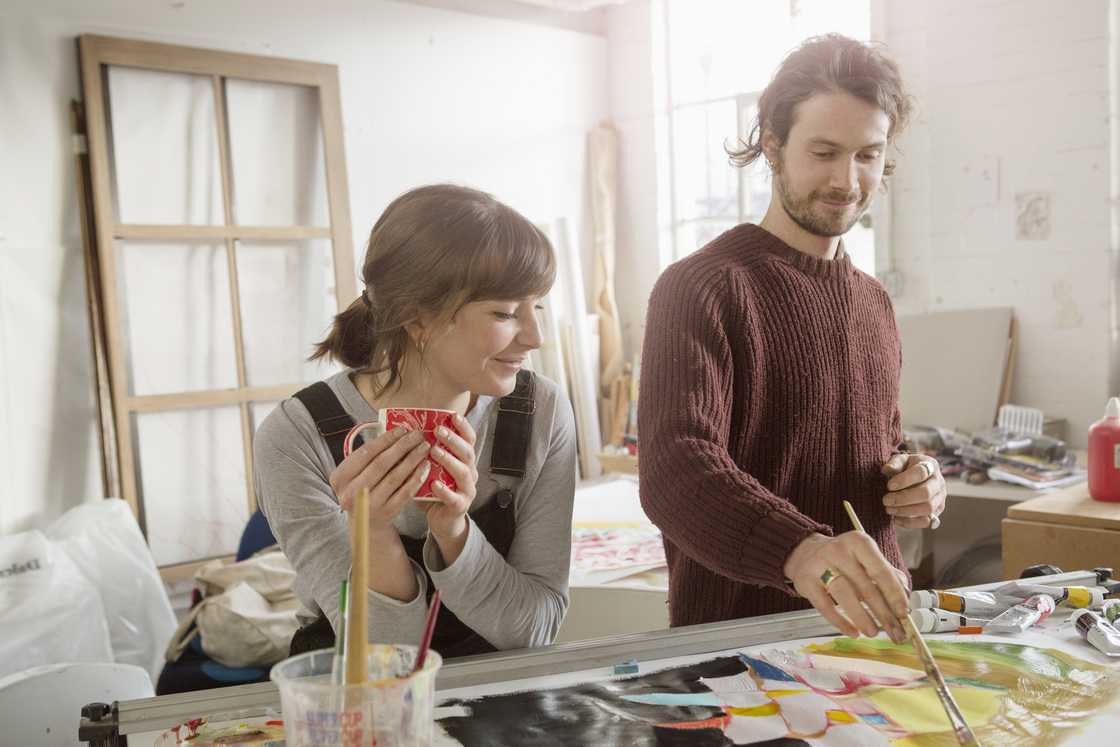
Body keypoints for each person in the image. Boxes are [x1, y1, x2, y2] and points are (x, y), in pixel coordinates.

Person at [638, 34, 945, 643]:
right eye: (824, 152)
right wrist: (801, 552)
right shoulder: (702, 287)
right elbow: (675, 468)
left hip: (872, 638)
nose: (847, 180)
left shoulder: (874, 302)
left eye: (868, 155)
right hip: (739, 651)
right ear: (773, 147)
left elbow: (870, 443)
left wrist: (917, 478)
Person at [254, 184, 576, 658]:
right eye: (506, 313)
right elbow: (381, 660)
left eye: (538, 307)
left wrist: (454, 532)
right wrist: (373, 531)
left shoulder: (540, 411)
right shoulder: (295, 436)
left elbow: (535, 630)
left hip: (495, 684)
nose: (536, 336)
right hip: (355, 683)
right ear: (417, 317)